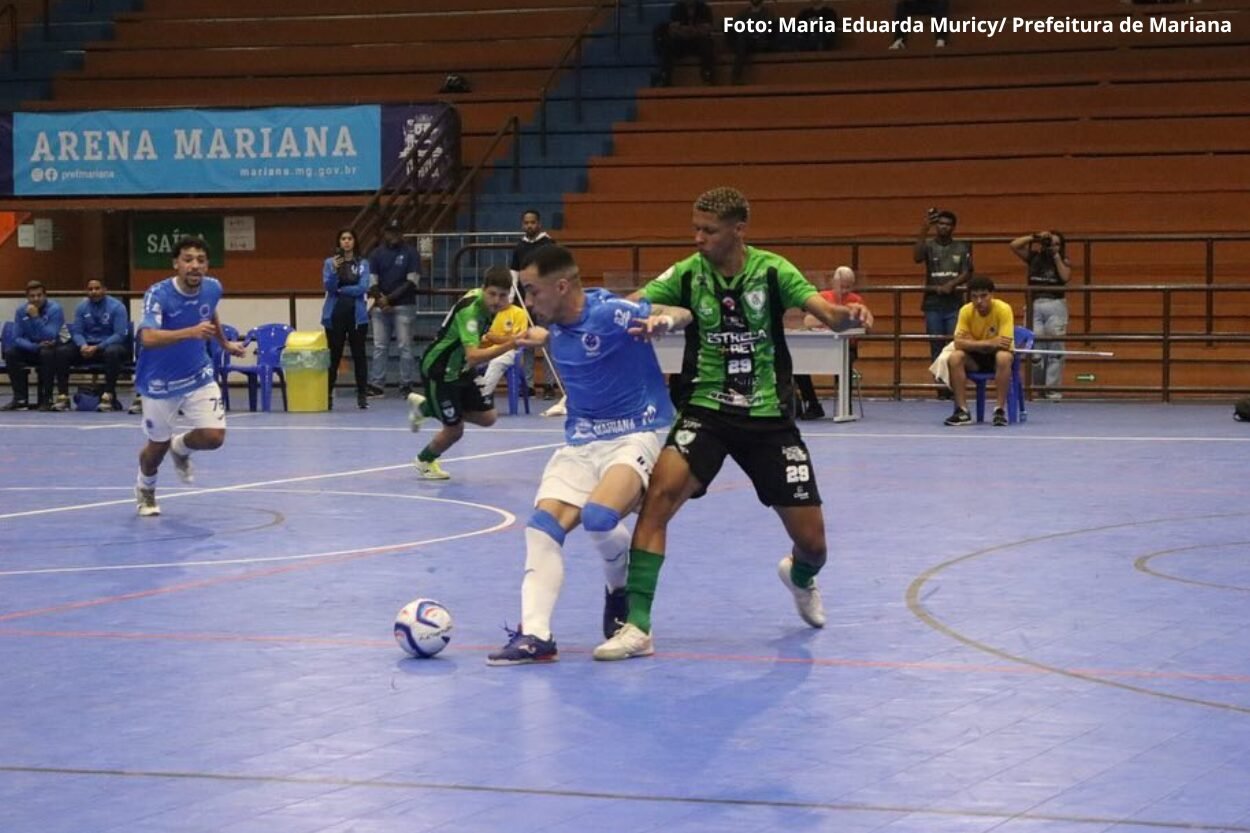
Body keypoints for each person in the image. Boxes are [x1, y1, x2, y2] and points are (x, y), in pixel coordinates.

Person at [593, 187, 873, 661]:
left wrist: (851, 317)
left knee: (813, 544)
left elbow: (829, 315)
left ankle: (799, 576)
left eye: (709, 230)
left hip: (767, 418)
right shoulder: (686, 273)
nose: (698, 238)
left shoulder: (772, 270)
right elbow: (634, 303)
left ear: (738, 230)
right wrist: (603, 315)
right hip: (705, 410)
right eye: (695, 229)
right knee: (658, 500)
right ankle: (637, 626)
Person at [487, 245, 680, 665]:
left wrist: (664, 320)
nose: (528, 303)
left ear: (561, 286)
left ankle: (619, 588)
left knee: (598, 517)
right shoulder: (554, 327)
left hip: (638, 431)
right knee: (540, 529)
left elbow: (676, 309)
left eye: (533, 292)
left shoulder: (612, 313)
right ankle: (536, 635)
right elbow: (557, 334)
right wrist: (540, 337)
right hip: (581, 440)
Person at [133, 236, 245, 516]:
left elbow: (210, 313)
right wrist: (190, 332)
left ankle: (180, 447)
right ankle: (145, 488)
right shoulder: (158, 294)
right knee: (155, 449)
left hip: (198, 374)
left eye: (201, 260)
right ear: (176, 264)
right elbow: (147, 337)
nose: (194, 265)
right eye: (188, 259)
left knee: (213, 437)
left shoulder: (213, 288)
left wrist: (224, 343)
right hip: (159, 382)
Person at [406, 266, 518, 480]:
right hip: (440, 370)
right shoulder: (471, 313)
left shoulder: (489, 306)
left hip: (460, 369)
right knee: (455, 430)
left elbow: (482, 339)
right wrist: (512, 343)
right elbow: (474, 356)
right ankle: (424, 460)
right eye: (492, 294)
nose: (496, 300)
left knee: (488, 417)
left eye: (502, 295)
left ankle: (423, 407)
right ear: (483, 289)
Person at [913, 207, 972, 398]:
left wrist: (951, 284)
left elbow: (968, 271)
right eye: (940, 224)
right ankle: (941, 389)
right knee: (936, 346)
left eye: (947, 224)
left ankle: (955, 387)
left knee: (955, 345)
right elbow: (916, 257)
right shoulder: (929, 246)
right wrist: (925, 227)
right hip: (932, 304)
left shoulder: (962, 247)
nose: (943, 227)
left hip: (954, 303)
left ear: (953, 227)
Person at [794, 266, 865, 419]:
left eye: (848, 287)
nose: (845, 290)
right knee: (798, 365)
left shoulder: (856, 300)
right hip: (820, 346)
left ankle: (845, 407)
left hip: (846, 348)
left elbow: (862, 323)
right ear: (834, 283)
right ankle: (812, 404)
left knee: (845, 362)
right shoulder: (822, 297)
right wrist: (832, 319)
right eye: (842, 286)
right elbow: (808, 321)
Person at [943, 275, 1014, 427]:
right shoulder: (965, 311)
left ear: (992, 295)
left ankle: (1000, 410)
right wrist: (990, 342)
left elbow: (1004, 344)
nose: (979, 301)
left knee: (1004, 357)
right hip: (974, 359)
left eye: (983, 296)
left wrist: (972, 342)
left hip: (995, 359)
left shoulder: (1003, 309)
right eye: (974, 297)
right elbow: (958, 343)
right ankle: (962, 410)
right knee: (955, 357)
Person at [1010, 230, 1071, 399]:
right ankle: (1038, 389)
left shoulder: (1063, 260)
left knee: (1055, 349)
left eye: (1057, 244)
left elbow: (1065, 277)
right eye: (1050, 242)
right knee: (1034, 351)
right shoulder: (1034, 257)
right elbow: (1014, 245)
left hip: (1056, 305)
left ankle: (1053, 390)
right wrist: (1034, 237)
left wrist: (1056, 256)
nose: (1053, 246)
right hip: (1034, 305)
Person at [366, 218, 420, 398]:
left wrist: (387, 299)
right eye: (390, 231)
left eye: (397, 232)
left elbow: (412, 281)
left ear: (402, 233)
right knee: (380, 346)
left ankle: (406, 384)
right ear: (385, 233)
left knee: (405, 346)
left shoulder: (411, 253)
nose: (393, 235)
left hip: (403, 306)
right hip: (382, 308)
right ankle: (377, 384)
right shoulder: (376, 254)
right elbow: (372, 281)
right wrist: (381, 299)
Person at [3, 280, 74, 411]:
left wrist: (35, 317)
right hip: (35, 347)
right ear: (27, 297)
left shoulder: (55, 309)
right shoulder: (21, 311)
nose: (36, 299)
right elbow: (17, 338)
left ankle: (46, 398)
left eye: (39, 295)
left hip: (57, 347)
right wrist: (34, 346)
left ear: (45, 295)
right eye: (32, 296)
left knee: (47, 353)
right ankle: (20, 399)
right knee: (11, 353)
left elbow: (50, 335)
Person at [321, 227, 372, 410]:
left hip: (356, 315)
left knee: (359, 355)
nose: (346, 241)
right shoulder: (329, 263)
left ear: (355, 241)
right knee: (333, 356)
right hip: (335, 315)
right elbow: (329, 286)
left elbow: (363, 287)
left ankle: (362, 394)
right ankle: (327, 394)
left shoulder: (363, 263)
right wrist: (335, 272)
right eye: (343, 238)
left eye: (350, 238)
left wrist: (343, 290)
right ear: (339, 242)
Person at [510, 209, 557, 396]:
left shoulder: (549, 244)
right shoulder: (519, 246)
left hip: (544, 300)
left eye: (533, 222)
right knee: (527, 341)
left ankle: (549, 384)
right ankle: (528, 384)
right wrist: (513, 293)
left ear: (539, 224)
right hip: (525, 301)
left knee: (547, 341)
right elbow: (514, 271)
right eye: (526, 223)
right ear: (523, 225)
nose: (529, 226)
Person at [70, 278, 130, 412]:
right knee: (62, 352)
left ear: (104, 290)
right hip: (86, 348)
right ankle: (61, 397)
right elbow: (77, 332)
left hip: (109, 346)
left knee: (112, 352)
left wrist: (99, 347)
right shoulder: (81, 307)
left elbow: (119, 335)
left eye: (97, 288)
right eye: (90, 289)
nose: (94, 292)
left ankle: (108, 395)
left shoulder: (117, 307)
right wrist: (83, 345)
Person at [653, 0, 716, 87]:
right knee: (668, 44)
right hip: (682, 42)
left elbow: (707, 29)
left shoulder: (705, 8)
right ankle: (665, 77)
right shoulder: (676, 9)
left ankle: (707, 76)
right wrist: (692, 31)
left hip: (698, 43)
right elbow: (674, 29)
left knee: (707, 44)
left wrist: (689, 31)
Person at [475, 299, 530, 399]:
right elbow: (478, 338)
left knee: (497, 361)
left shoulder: (519, 313)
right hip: (485, 350)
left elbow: (518, 340)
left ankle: (481, 398)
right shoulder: (485, 313)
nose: (498, 298)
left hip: (510, 351)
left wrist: (494, 338)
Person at [727, 0, 776, 84]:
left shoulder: (768, 13)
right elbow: (737, 28)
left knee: (743, 39)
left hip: (760, 43)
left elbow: (767, 30)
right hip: (745, 42)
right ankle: (736, 76)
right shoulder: (742, 13)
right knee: (741, 39)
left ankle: (736, 76)